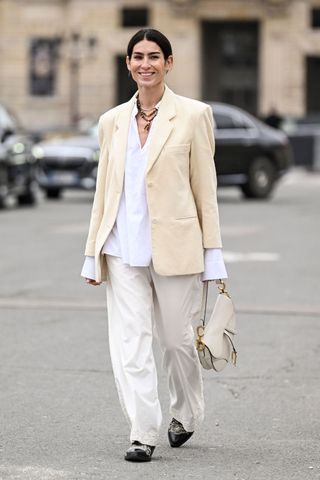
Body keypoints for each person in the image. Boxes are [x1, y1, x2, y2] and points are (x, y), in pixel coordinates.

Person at [81, 28, 227, 462]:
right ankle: (142, 432)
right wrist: (93, 253)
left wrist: (213, 256)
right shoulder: (111, 122)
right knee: (132, 343)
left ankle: (187, 411)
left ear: (169, 62)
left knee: (178, 341)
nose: (145, 63)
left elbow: (206, 189)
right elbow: (104, 191)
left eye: (154, 56)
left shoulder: (194, 114)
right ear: (128, 64)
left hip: (177, 248)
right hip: (121, 247)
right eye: (137, 56)